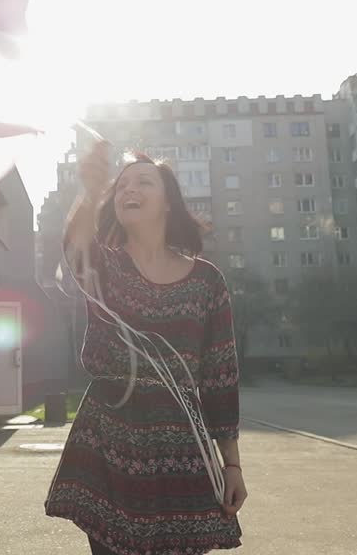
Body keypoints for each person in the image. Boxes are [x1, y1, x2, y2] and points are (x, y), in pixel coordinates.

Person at [44, 141, 245, 555]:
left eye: (143, 182)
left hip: (183, 444)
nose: (127, 190)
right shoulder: (107, 266)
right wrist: (91, 189)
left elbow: (220, 377)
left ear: (169, 201)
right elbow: (74, 251)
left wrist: (233, 464)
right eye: (121, 186)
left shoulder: (207, 282)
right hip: (110, 433)